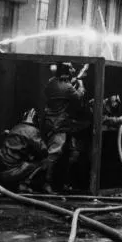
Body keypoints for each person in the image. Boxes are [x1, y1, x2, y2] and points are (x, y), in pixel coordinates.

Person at [41, 62, 86, 193]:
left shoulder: (51, 82)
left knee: (67, 152)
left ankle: (60, 182)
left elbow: (57, 91)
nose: (73, 69)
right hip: (59, 124)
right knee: (54, 154)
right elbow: (78, 97)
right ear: (66, 71)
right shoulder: (67, 87)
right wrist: (81, 85)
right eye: (71, 68)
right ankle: (46, 183)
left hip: (51, 122)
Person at [0, 108, 46, 192]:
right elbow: (43, 151)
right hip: (11, 172)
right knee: (44, 162)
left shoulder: (15, 127)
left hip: (1, 170)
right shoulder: (32, 131)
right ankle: (23, 185)